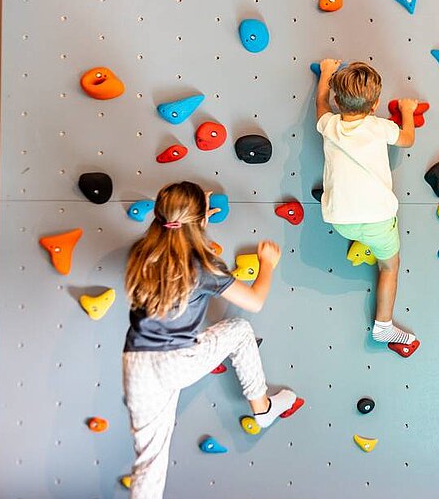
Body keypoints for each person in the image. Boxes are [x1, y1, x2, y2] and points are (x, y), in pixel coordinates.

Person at [121, 181, 301, 498]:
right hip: (177, 360)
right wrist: (267, 266)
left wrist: (195, 215)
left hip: (136, 363)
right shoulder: (204, 266)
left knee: (149, 463)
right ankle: (262, 408)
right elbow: (255, 300)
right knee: (241, 331)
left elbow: (177, 245)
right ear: (202, 221)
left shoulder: (142, 254)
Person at [314, 59, 420, 351]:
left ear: (338, 101)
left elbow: (320, 104)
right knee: (389, 267)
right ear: (375, 105)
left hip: (341, 221)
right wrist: (407, 112)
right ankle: (383, 325)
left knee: (366, 238)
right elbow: (408, 139)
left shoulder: (329, 124)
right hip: (377, 220)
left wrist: (325, 73)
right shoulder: (379, 127)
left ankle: (362, 242)